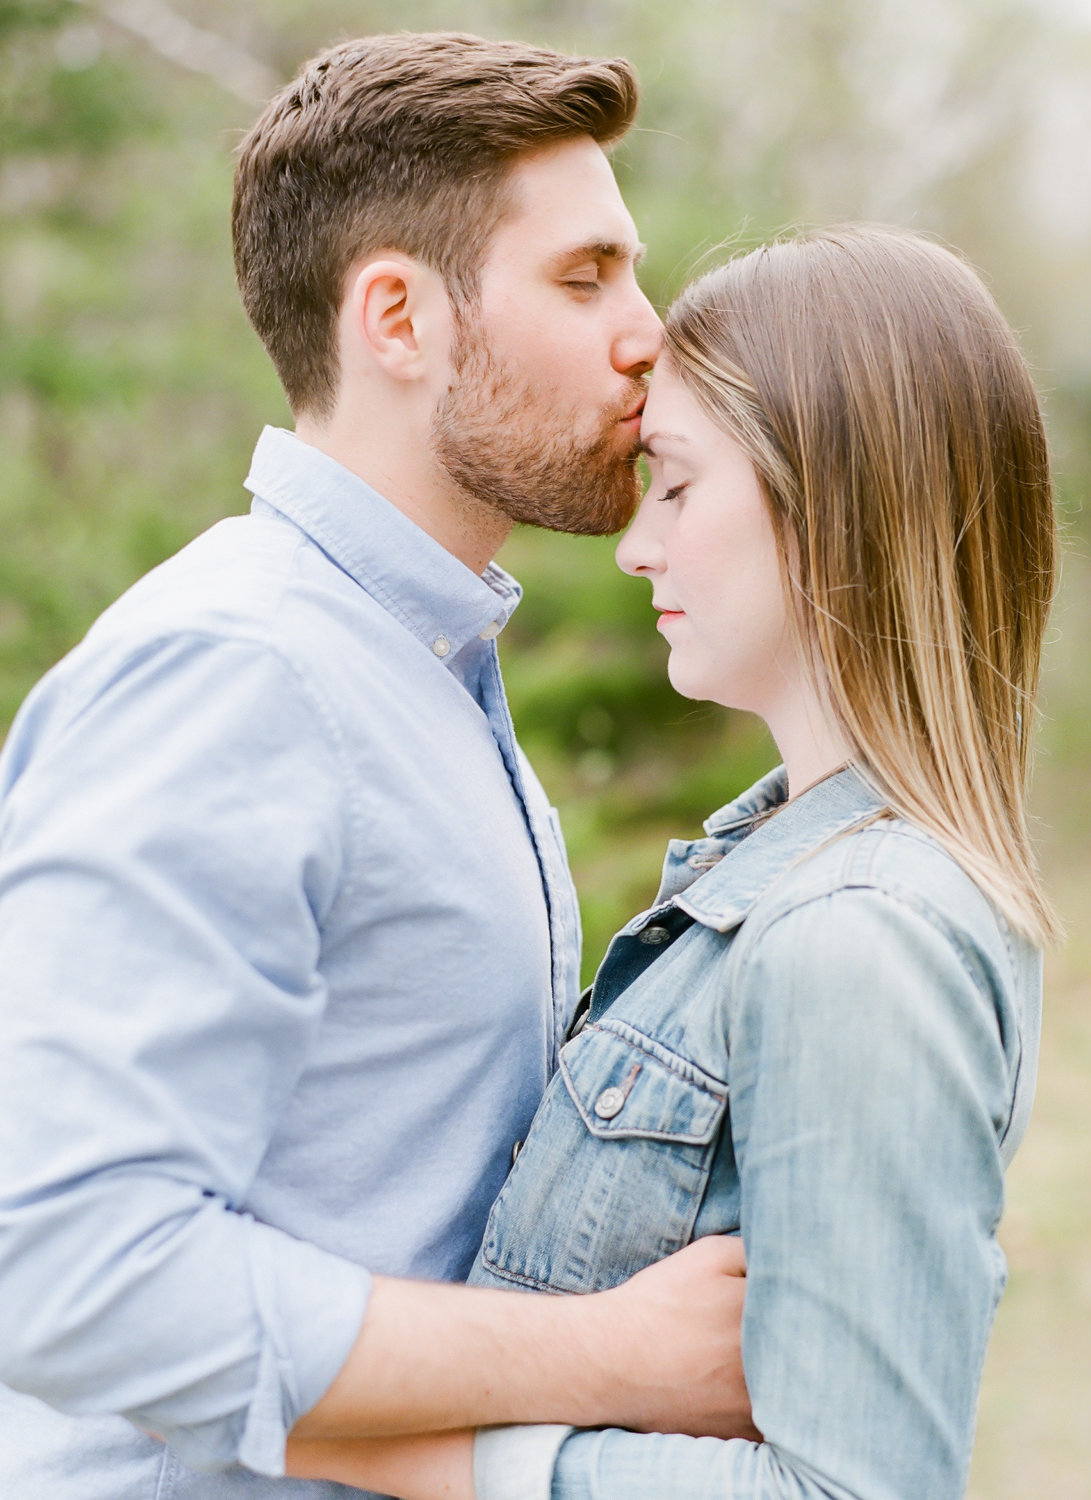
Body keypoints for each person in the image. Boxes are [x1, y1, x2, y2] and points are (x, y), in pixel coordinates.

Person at [0, 32, 755, 1500]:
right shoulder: (238, 675)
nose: (647, 336)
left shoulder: (412, 664)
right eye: (583, 277)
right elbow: (67, 1265)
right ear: (397, 317)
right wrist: (606, 1357)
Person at [281, 225, 1057, 1500]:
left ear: (838, 503)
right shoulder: (766, 879)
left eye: (679, 486)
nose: (636, 546)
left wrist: (437, 1460)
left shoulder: (857, 934)